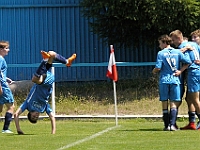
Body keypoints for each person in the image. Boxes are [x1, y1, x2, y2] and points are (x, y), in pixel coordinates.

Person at [14, 50, 76, 134]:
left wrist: (18, 129)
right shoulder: (43, 107)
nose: (36, 116)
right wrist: (53, 133)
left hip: (44, 79)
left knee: (52, 54)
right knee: (35, 79)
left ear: (30, 113)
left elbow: (16, 114)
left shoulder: (27, 105)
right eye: (36, 118)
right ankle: (45, 60)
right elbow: (52, 117)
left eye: (33, 117)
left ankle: (67, 61)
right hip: (45, 83)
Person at [152, 35, 191, 131]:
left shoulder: (161, 53)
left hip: (164, 80)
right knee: (174, 102)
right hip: (175, 80)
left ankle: (166, 125)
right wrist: (180, 71)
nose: (159, 46)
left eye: (160, 43)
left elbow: (158, 67)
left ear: (165, 43)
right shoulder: (177, 52)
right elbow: (188, 62)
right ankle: (172, 125)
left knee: (164, 102)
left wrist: (153, 71)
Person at [169, 30, 200, 130]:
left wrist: (180, 71)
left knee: (195, 99)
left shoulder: (183, 46)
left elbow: (188, 62)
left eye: (173, 40)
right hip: (197, 72)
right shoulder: (193, 44)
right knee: (189, 98)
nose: (173, 43)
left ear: (179, 38)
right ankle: (191, 123)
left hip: (193, 73)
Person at [0, 41, 15, 133]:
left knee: (0, 108)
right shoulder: (0, 59)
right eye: (6, 48)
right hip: (3, 86)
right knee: (11, 106)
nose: (8, 50)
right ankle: (6, 128)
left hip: (3, 83)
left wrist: (6, 78)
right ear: (1, 49)